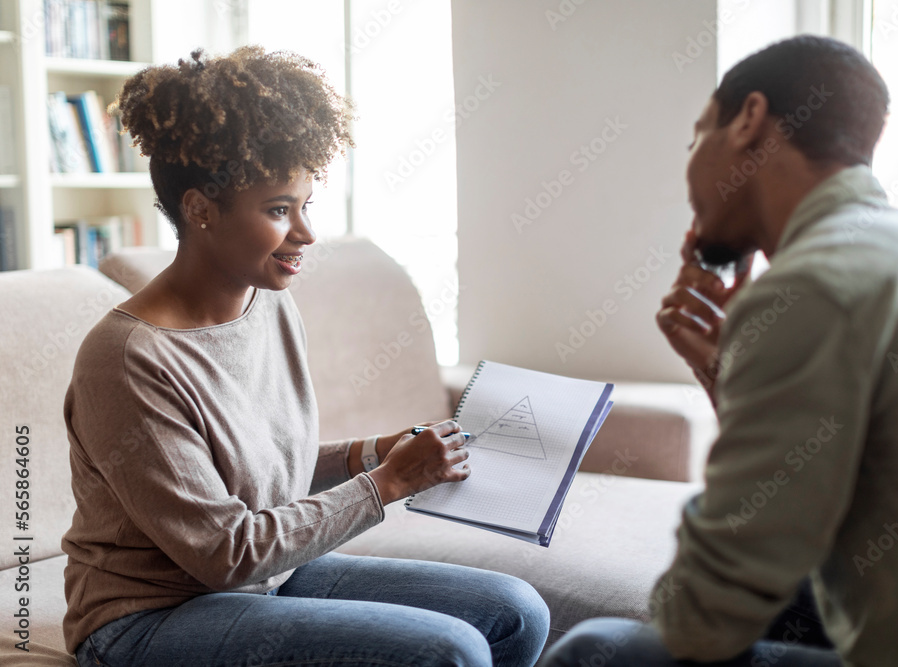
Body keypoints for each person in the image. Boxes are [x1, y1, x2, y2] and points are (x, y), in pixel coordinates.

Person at [62, 46, 548, 667]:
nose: (306, 233)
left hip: (263, 582)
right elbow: (226, 552)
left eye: (306, 204)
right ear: (200, 210)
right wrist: (389, 481)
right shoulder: (128, 359)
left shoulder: (267, 305)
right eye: (277, 210)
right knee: (445, 651)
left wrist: (376, 452)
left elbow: (260, 473)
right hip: (147, 618)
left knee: (515, 611)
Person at [540, 35, 898, 666]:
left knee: (596, 650)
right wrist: (729, 374)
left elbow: (703, 621)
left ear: (750, 119)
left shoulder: (814, 284)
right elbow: (824, 483)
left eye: (695, 138)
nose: (690, 172)